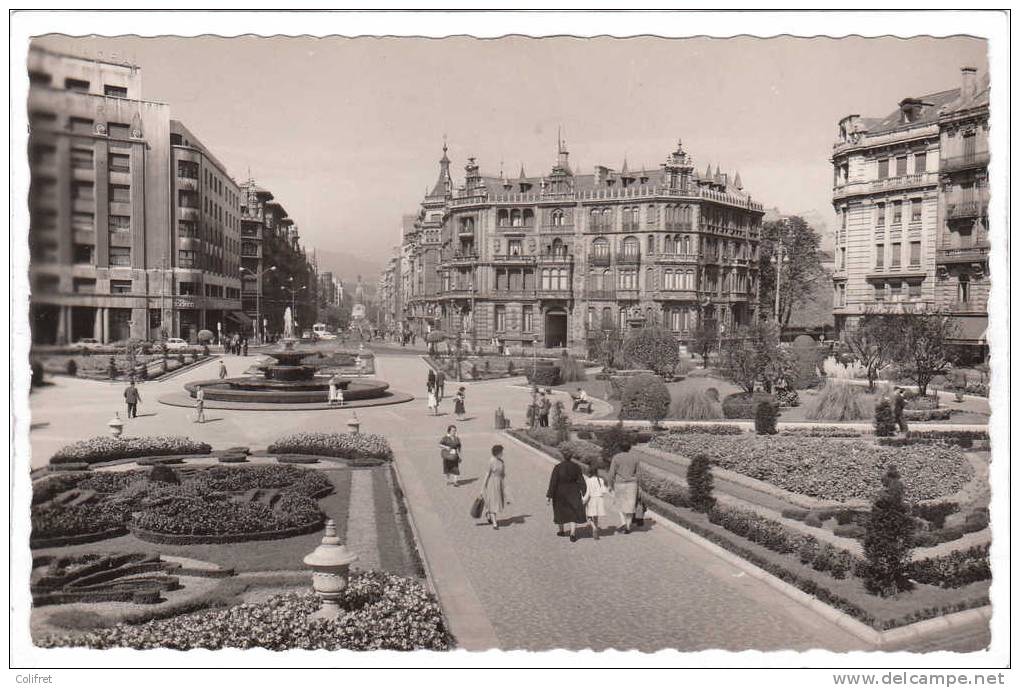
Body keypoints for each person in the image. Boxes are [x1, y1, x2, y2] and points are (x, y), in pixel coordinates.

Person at [547, 453, 586, 542]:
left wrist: (549, 495)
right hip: (573, 491)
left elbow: (553, 482)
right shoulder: (576, 467)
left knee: (560, 511)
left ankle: (561, 531)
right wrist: (584, 492)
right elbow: (581, 480)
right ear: (571, 457)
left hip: (560, 492)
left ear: (563, 457)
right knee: (573, 512)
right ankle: (572, 533)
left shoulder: (558, 467)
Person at [607, 441, 639, 534]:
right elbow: (638, 473)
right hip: (632, 484)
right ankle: (628, 527)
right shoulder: (635, 458)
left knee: (619, 504)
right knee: (630, 505)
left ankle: (623, 522)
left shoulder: (616, 457)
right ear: (629, 448)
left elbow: (611, 472)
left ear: (620, 448)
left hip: (619, 483)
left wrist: (609, 484)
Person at [480, 444, 509, 529]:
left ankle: (488, 512)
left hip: (499, 483)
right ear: (497, 452)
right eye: (501, 452)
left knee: (496, 501)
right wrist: (483, 486)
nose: (502, 454)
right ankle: (495, 523)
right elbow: (487, 474)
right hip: (492, 484)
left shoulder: (502, 462)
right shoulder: (491, 461)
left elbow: (503, 474)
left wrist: (504, 485)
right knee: (493, 503)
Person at [581, 462, 608, 540]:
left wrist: (583, 500)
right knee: (596, 516)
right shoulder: (601, 480)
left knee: (589, 515)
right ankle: (595, 527)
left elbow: (588, 493)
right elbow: (604, 491)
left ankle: (594, 528)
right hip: (599, 499)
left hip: (592, 499)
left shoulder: (588, 480)